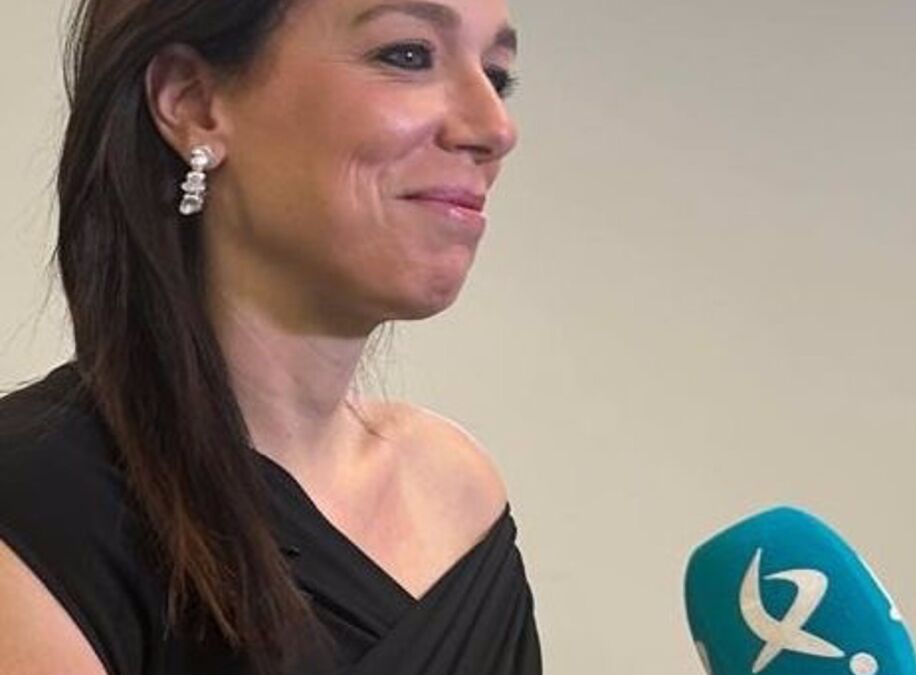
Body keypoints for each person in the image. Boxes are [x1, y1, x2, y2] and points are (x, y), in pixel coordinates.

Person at [0, 0, 539, 673]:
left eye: (498, 75)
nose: (495, 127)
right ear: (194, 103)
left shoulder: (456, 493)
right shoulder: (36, 507)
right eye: (407, 55)